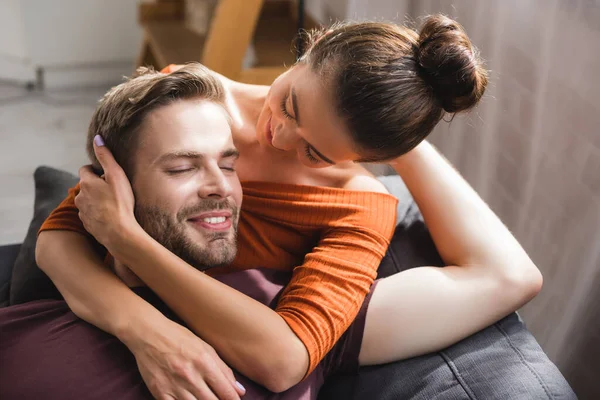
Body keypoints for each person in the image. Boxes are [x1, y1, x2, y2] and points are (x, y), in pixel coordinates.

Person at [36, 16, 545, 399]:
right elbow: (63, 234)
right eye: (291, 104)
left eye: (317, 153)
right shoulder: (193, 98)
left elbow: (285, 359)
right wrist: (147, 332)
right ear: (316, 42)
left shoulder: (359, 205)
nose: (280, 136)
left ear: (377, 158)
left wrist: (128, 240)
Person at [0, 77, 370, 399]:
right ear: (110, 186)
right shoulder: (25, 340)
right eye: (181, 168)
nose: (220, 186)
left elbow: (429, 294)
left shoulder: (274, 305)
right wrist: (147, 331)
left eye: (229, 165)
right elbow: (59, 234)